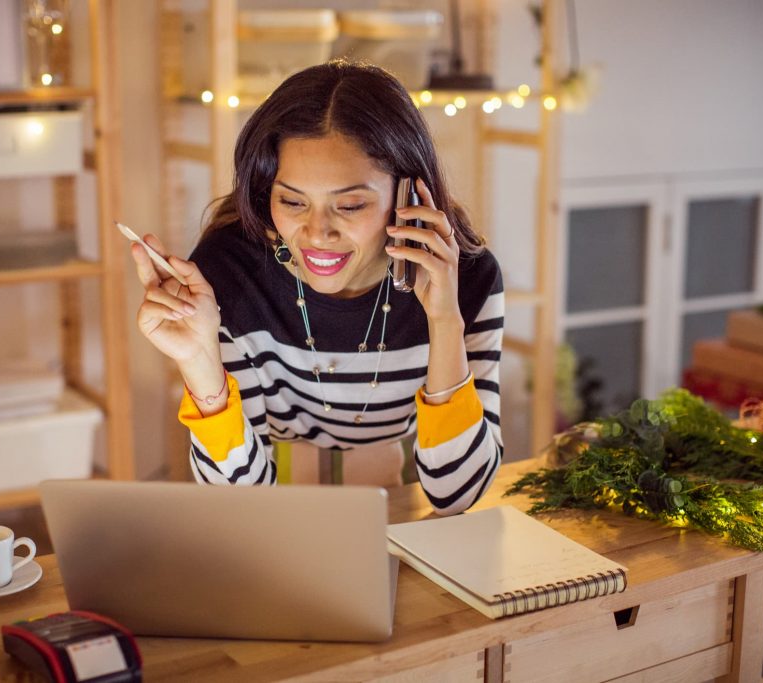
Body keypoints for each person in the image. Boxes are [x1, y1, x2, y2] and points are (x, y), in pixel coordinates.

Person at [130, 60, 504, 515]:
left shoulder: (468, 278)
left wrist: (445, 320)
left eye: (349, 205)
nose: (316, 233)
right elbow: (238, 502)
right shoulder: (227, 275)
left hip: (410, 514)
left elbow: (458, 493)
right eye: (292, 201)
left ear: (408, 194)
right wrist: (199, 362)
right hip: (273, 522)